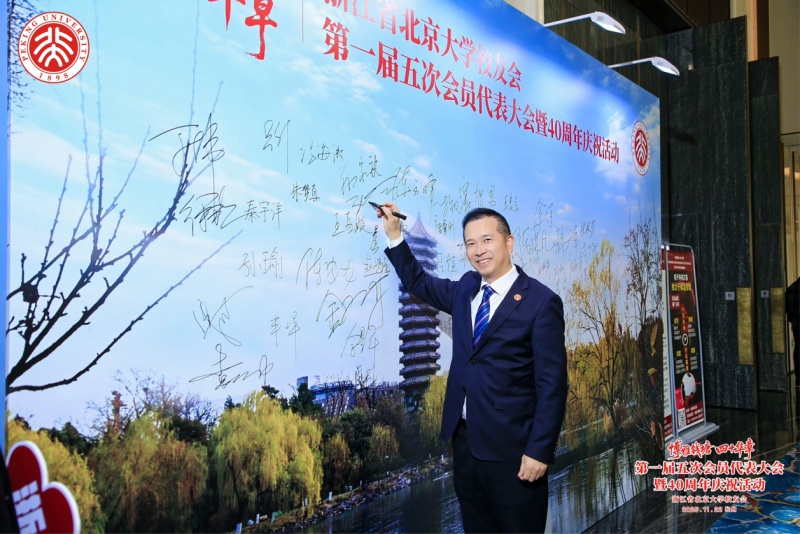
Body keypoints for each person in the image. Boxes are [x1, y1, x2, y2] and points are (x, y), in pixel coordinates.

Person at [375, 203, 568, 533]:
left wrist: (540, 451)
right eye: (470, 243)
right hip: (466, 447)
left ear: (509, 242)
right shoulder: (466, 288)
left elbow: (553, 385)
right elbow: (419, 282)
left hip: (515, 452)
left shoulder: (540, 302)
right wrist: (394, 235)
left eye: (487, 240)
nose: (479, 251)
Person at [786, 277, 800, 387]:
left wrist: (792, 321)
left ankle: (798, 376)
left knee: (798, 348)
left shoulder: (791, 288)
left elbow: (787, 308)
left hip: (797, 325)